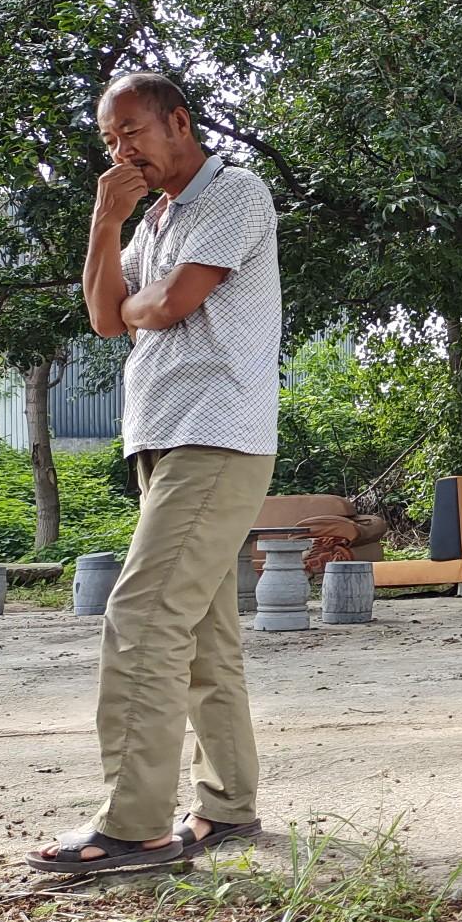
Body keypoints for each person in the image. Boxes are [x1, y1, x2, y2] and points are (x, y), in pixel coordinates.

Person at [28, 73, 281, 874]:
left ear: (179, 122)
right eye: (110, 141)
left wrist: (144, 303)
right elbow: (108, 315)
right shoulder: (158, 218)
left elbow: (168, 305)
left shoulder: (234, 193)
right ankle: (229, 807)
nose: (121, 150)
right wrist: (106, 223)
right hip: (163, 439)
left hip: (217, 435)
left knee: (139, 616)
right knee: (205, 634)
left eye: (131, 131)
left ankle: (135, 827)